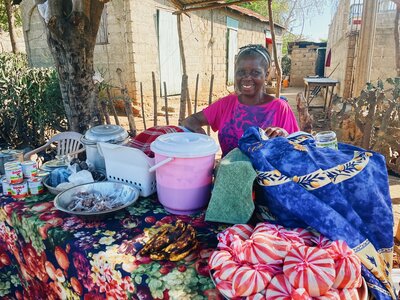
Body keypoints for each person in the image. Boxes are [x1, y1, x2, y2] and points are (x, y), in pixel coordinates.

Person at [182, 44, 299, 156]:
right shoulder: (226, 104)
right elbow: (191, 120)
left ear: (266, 74)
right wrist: (201, 135)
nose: (247, 78)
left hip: (268, 176)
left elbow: (298, 148)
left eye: (255, 72)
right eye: (241, 72)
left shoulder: (279, 108)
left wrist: (284, 135)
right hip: (228, 174)